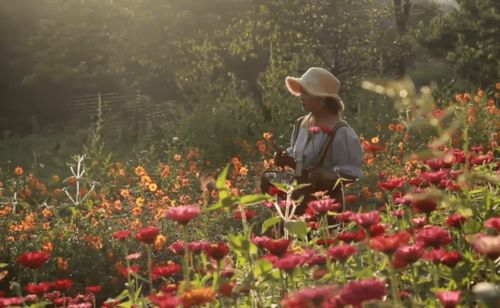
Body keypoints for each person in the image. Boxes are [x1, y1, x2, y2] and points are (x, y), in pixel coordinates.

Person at [273, 67, 363, 216]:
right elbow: (299, 158)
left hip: (327, 208)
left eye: (306, 93)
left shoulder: (341, 133)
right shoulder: (301, 123)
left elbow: (353, 174)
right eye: (301, 92)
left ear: (322, 99)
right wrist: (286, 160)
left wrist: (327, 176)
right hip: (298, 203)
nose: (301, 97)